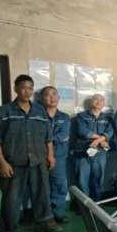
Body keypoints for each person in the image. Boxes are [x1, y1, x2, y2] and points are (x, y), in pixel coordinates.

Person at [0, 75, 62, 232]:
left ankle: (45, 221)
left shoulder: (40, 112)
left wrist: (51, 156)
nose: (27, 91)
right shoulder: (2, 112)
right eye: (23, 87)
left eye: (30, 87)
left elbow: (48, 137)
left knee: (42, 194)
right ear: (16, 88)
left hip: (38, 161)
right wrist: (2, 162)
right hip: (13, 163)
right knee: (11, 199)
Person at [74, 94, 114, 202]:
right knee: (82, 179)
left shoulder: (107, 118)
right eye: (96, 99)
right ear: (91, 102)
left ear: (104, 103)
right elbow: (82, 131)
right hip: (82, 150)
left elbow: (110, 131)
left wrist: (98, 141)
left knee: (98, 177)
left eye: (101, 100)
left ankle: (97, 202)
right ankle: (84, 204)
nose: (98, 101)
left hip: (100, 152)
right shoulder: (81, 116)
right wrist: (101, 139)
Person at [42, 86, 71, 223]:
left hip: (59, 155)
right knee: (42, 186)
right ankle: (45, 215)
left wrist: (48, 139)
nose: (52, 97)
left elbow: (64, 134)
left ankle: (58, 213)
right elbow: (37, 136)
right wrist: (55, 138)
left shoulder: (64, 117)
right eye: (48, 94)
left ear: (58, 97)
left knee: (59, 184)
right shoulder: (38, 116)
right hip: (41, 156)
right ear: (43, 98)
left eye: (54, 94)